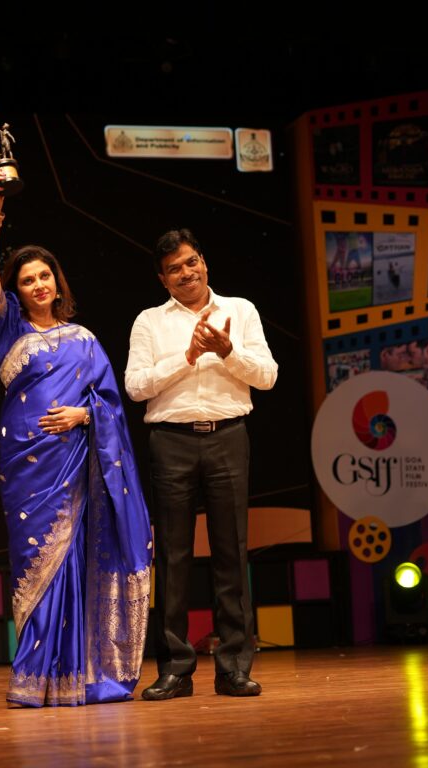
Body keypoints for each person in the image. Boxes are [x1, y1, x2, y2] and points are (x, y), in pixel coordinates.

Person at [0, 169, 153, 707]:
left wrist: (84, 414)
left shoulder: (85, 339)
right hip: (27, 467)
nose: (38, 285)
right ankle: (36, 675)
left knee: (75, 558)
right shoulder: (8, 329)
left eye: (45, 276)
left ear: (58, 282)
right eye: (27, 279)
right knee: (35, 562)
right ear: (17, 290)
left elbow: (111, 404)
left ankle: (78, 673)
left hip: (76, 462)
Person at [125, 229, 277, 699]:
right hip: (171, 441)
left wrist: (227, 351)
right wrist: (188, 356)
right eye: (174, 269)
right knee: (173, 557)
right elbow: (136, 386)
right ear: (163, 279)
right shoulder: (150, 321)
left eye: (191, 262)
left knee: (232, 552)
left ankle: (234, 667)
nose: (186, 273)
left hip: (228, 435)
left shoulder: (241, 310)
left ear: (204, 263)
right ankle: (175, 669)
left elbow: (268, 376)